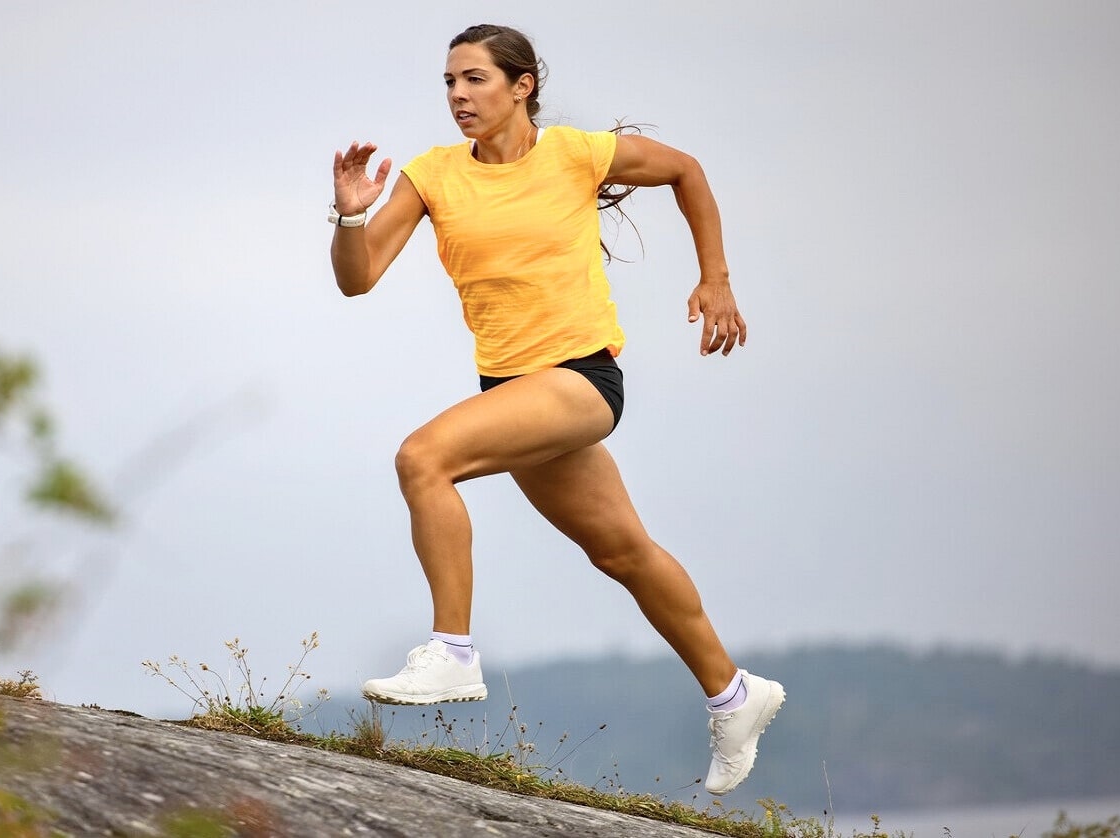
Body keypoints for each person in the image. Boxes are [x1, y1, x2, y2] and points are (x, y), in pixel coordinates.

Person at [328, 23, 784, 795]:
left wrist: (718, 280)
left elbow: (687, 172)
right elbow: (357, 277)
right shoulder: (434, 175)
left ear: (521, 85)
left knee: (422, 458)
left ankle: (451, 650)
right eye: (448, 82)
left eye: (474, 79)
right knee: (622, 552)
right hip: (511, 393)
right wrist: (348, 216)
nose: (458, 96)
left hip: (580, 378)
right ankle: (734, 694)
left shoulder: (575, 154)